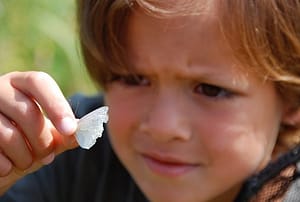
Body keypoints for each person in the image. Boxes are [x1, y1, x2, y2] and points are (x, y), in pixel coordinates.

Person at [0, 0, 300, 201]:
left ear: (292, 102)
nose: (162, 127)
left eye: (210, 89)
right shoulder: (71, 160)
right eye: (133, 79)